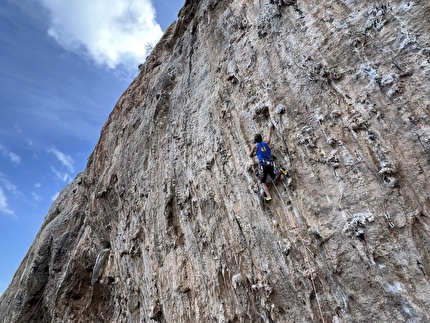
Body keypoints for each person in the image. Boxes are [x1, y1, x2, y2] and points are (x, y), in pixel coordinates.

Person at [249, 124, 286, 201]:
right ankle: (280, 172)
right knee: (275, 181)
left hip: (263, 164)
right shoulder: (266, 142)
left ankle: (269, 196)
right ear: (261, 138)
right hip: (271, 162)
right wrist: (270, 128)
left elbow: (250, 155)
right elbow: (269, 136)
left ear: (255, 141)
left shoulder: (255, 146)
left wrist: (255, 153)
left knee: (262, 181)